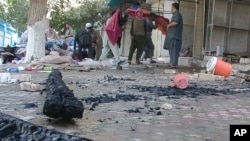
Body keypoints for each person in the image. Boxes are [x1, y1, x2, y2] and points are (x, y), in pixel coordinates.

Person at [163, 2, 183, 68]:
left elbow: (176, 22)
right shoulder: (175, 14)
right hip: (172, 36)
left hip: (175, 36)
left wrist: (169, 25)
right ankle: (172, 63)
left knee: (174, 50)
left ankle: (174, 64)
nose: (171, 9)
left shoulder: (177, 14)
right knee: (171, 50)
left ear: (174, 7)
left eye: (171, 7)